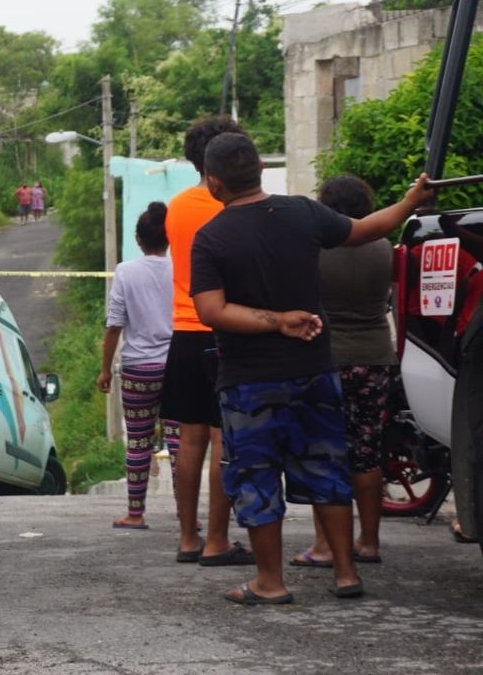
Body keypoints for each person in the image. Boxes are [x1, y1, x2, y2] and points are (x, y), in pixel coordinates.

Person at [190, 132, 433, 604]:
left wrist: (276, 321)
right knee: (328, 468)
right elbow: (365, 229)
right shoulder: (304, 212)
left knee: (256, 475)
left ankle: (270, 582)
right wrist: (410, 200)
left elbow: (212, 311)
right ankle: (345, 573)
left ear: (213, 183)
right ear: (261, 167)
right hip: (315, 369)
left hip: (249, 381)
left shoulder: (212, 237)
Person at [160, 117, 252, 567]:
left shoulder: (176, 207)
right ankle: (218, 540)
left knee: (189, 440)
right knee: (223, 440)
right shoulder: (231, 207)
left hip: (182, 330)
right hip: (224, 330)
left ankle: (186, 538)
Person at [291, 176, 392, 568]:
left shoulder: (316, 250)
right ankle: (368, 542)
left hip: (325, 359)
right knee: (367, 454)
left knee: (323, 454)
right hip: (375, 357)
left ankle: (326, 545)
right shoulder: (384, 247)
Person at [98, 203, 174, 530]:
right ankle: (188, 518)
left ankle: (135, 513)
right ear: (169, 239)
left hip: (137, 370)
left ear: (138, 240)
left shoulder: (126, 272)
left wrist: (104, 371)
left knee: (139, 442)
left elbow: (114, 326)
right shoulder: (181, 269)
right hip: (177, 369)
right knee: (181, 444)